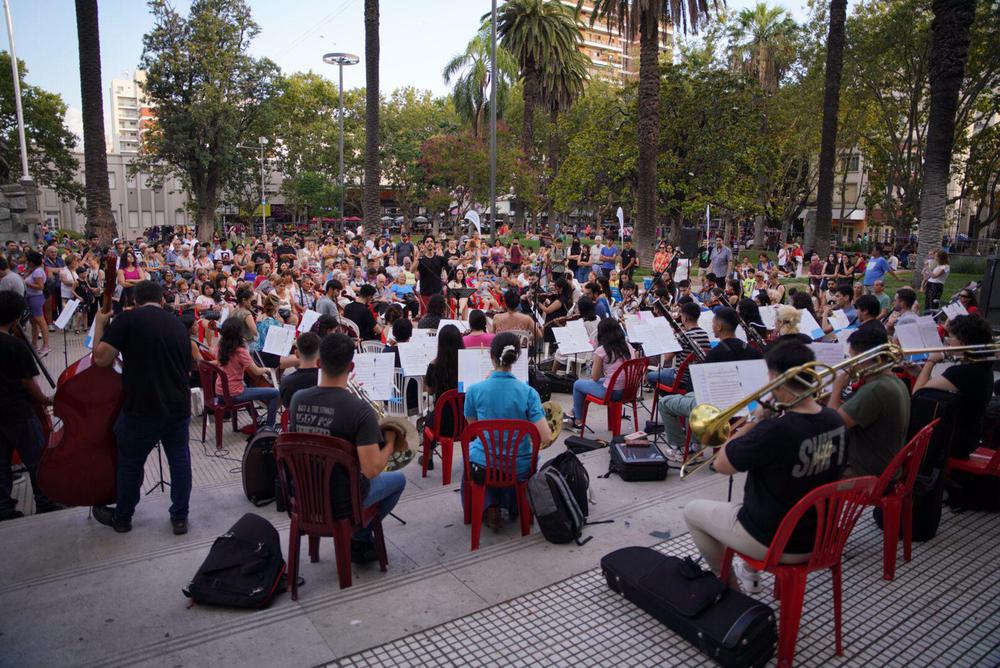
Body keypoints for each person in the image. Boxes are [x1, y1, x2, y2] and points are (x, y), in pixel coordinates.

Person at [683, 341, 847, 590]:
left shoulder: (774, 431)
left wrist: (755, 420)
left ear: (774, 377)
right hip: (823, 537)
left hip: (776, 540)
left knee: (692, 511)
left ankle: (729, 587)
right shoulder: (835, 418)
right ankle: (745, 573)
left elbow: (721, 464)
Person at [289, 333, 406, 563]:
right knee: (398, 480)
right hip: (343, 502)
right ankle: (360, 536)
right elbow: (372, 469)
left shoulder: (297, 400)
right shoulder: (359, 410)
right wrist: (391, 443)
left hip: (303, 495)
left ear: (319, 363)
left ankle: (357, 536)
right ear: (351, 366)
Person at [91, 281, 193, 535]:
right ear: (161, 300)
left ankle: (123, 517)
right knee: (180, 461)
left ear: (135, 301)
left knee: (130, 463)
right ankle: (180, 517)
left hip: (142, 406)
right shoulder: (178, 324)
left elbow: (101, 359)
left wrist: (100, 324)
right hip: (178, 405)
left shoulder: (128, 320)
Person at [462, 332, 551, 530]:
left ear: (491, 357)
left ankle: (487, 505)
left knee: (474, 456)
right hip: (518, 467)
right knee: (521, 462)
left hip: (484, 465)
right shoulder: (529, 393)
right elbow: (545, 436)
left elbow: (473, 428)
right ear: (517, 358)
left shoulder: (474, 390)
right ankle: (514, 505)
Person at [658, 308, 763, 460]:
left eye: (713, 323)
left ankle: (681, 448)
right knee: (691, 396)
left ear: (719, 326)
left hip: (717, 406)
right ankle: (694, 445)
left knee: (665, 402)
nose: (712, 327)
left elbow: (702, 390)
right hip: (744, 405)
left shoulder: (715, 354)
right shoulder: (750, 350)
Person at [0, 291, 61, 520]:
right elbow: (28, 382)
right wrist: (46, 400)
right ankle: (44, 500)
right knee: (36, 457)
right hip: (17, 410)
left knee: (1, 460)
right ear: (17, 317)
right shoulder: (15, 346)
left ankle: (4, 508)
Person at [827, 327, 910, 477]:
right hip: (884, 466)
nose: (850, 364)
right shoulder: (895, 381)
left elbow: (832, 426)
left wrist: (836, 389)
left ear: (862, 357)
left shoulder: (875, 389)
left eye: (851, 358)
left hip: (866, 473)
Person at [912, 314, 994, 459]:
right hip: (969, 435)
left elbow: (918, 394)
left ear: (963, 341)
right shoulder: (981, 366)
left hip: (955, 441)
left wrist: (930, 362)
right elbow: (932, 391)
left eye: (951, 337)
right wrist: (918, 372)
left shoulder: (964, 372)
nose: (948, 341)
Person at [566, 319, 635, 428]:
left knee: (578, 385)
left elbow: (595, 377)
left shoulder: (602, 350)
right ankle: (573, 412)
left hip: (612, 392)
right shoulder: (628, 346)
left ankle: (578, 419)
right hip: (628, 390)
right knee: (591, 383)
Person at [214, 317, 281, 427]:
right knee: (274, 393)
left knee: (244, 386)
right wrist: (266, 369)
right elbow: (256, 371)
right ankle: (270, 426)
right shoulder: (240, 351)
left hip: (220, 391)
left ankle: (257, 418)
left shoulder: (219, 347)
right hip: (234, 394)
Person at [645, 302, 709, 390]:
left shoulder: (684, 337)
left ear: (685, 318)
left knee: (650, 376)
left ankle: (669, 395)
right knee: (664, 371)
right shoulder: (705, 334)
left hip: (681, 378)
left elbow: (667, 357)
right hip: (696, 376)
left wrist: (670, 338)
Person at [279, 332, 321, 409]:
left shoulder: (287, 382)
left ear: (297, 354)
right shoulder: (325, 381)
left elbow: (287, 407)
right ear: (319, 354)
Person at [23, 251, 49, 356]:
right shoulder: (35, 270)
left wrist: (27, 283)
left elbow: (40, 286)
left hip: (35, 298)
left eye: (28, 261)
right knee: (33, 323)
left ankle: (46, 345)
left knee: (40, 321)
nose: (26, 263)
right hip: (31, 297)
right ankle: (34, 344)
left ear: (32, 262)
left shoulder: (38, 272)